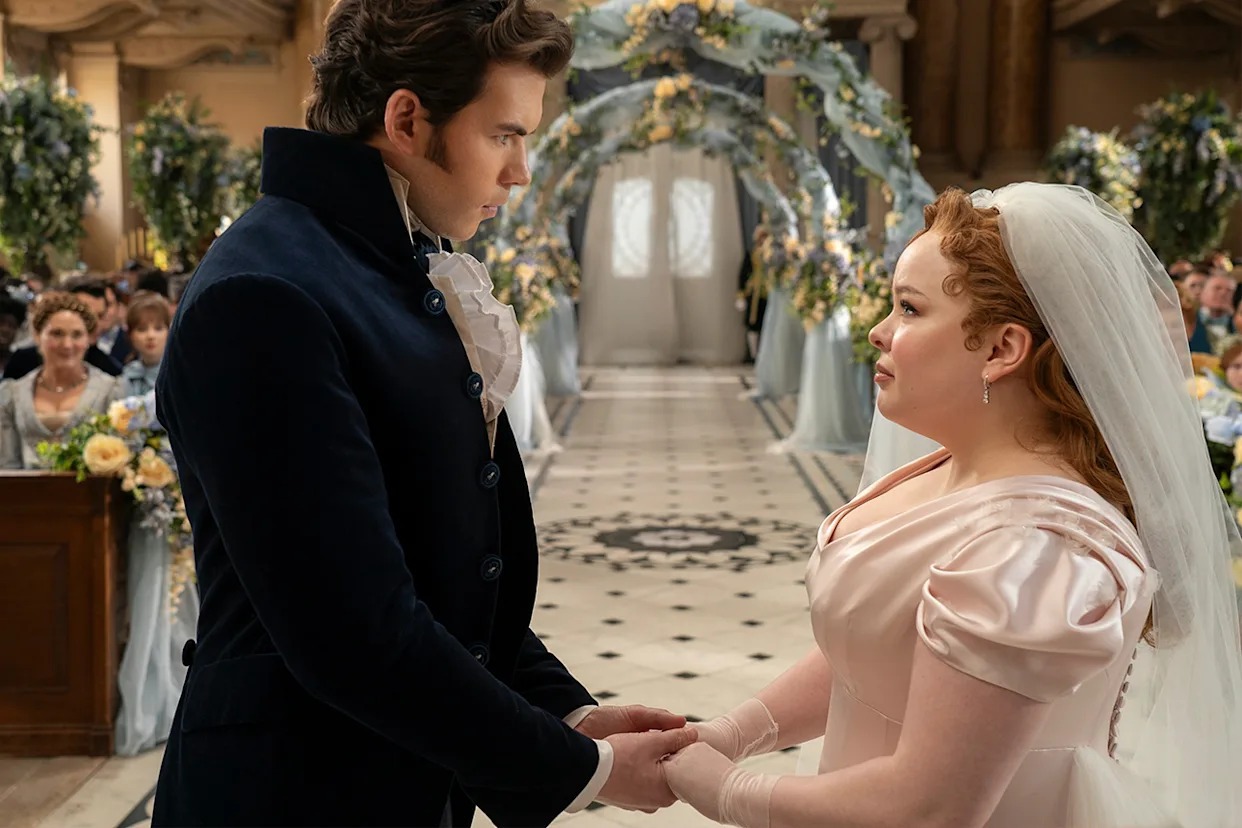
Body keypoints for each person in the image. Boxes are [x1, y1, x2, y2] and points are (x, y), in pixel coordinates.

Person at [151, 2, 693, 826]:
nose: (520, 173)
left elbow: (442, 567)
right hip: (293, 794)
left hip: (399, 774)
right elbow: (353, 630)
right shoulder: (265, 295)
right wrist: (584, 770)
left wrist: (568, 713)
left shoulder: (389, 262)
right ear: (406, 119)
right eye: (504, 135)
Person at [662, 184, 1242, 827]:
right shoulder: (955, 467)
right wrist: (733, 733)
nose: (879, 332)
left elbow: (931, 808)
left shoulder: (1034, 553)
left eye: (909, 309)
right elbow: (876, 649)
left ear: (1001, 349)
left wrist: (728, 791)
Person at [0, 291, 121, 468]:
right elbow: (6, 464)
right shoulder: (12, 393)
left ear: (88, 339)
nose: (67, 344)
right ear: (37, 336)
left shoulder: (110, 391)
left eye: (77, 335)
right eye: (57, 334)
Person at [3, 276, 123, 379]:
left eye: (100, 316)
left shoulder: (111, 373)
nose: (95, 324)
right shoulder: (23, 362)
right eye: (85, 315)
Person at [120, 291, 171, 397]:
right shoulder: (128, 375)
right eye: (142, 329)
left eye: (158, 328)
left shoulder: (178, 372)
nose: (151, 336)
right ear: (130, 335)